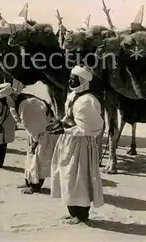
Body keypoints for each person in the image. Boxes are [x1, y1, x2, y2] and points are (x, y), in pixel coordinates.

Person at [48, 65, 104, 225]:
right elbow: (70, 117)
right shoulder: (74, 95)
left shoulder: (88, 101)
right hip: (69, 142)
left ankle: (81, 215)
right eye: (70, 78)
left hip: (81, 145)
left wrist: (64, 129)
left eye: (73, 79)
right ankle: (73, 212)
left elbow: (88, 129)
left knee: (79, 178)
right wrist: (61, 124)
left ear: (83, 81)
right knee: (68, 177)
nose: (69, 81)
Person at [0, 83, 58, 194]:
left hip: (44, 134)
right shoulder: (19, 101)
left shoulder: (28, 104)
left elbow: (37, 127)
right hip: (37, 134)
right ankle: (29, 182)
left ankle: (35, 186)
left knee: (38, 160)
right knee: (31, 158)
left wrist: (35, 141)